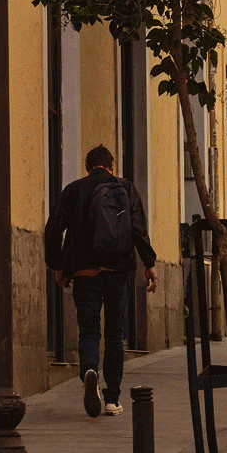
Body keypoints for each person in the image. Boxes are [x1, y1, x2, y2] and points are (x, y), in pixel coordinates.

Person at [43, 146, 157, 418]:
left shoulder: (74, 189)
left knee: (89, 332)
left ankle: (90, 370)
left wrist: (58, 266)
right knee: (115, 334)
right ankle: (112, 399)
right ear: (111, 164)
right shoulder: (125, 188)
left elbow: (53, 229)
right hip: (118, 271)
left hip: (84, 273)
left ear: (88, 166)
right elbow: (139, 229)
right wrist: (149, 264)